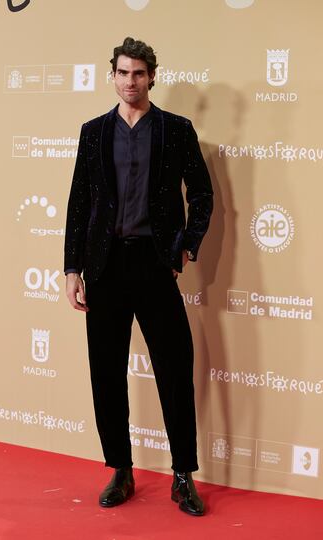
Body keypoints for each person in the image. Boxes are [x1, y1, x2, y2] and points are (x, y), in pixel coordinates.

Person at [64, 37, 213, 516]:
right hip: (104, 267)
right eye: (123, 73)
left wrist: (186, 245)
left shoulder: (175, 129)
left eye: (139, 73)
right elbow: (79, 203)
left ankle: (183, 476)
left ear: (152, 76)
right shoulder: (92, 132)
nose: (131, 81)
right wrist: (72, 268)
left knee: (174, 370)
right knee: (106, 373)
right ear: (112, 75)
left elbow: (203, 195)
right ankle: (121, 470)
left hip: (154, 264)